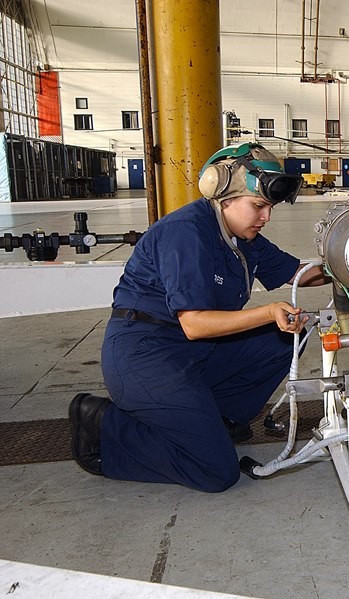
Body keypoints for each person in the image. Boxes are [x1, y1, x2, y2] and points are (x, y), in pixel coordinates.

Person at [69, 142, 327, 492]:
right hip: (147, 355)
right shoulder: (186, 232)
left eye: (269, 208)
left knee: (288, 338)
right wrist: (268, 311)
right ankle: (105, 427)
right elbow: (194, 324)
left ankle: (217, 419)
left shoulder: (242, 237)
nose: (266, 217)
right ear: (222, 195)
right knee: (217, 471)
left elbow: (298, 273)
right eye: (258, 206)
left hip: (198, 353)